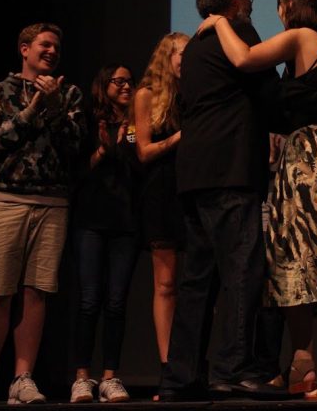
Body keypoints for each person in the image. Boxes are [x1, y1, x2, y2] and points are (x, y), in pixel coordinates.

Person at [197, 0, 317, 400]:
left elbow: (244, 58)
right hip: (304, 154)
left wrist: (218, 21)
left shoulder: (301, 36)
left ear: (289, 7)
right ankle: (302, 364)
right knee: (292, 259)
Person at [159, 0, 289, 401]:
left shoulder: (193, 47)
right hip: (231, 171)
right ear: (233, 0)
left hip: (194, 174)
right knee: (242, 271)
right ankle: (233, 371)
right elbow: (268, 93)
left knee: (198, 280)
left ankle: (182, 377)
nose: (249, 3)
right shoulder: (237, 30)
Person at [0, 23, 85, 404]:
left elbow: (74, 145)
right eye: (44, 44)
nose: (52, 51)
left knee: (37, 292)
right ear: (24, 48)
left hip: (52, 201)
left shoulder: (68, 93)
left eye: (57, 46)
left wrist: (52, 110)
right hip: (5, 198)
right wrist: (34, 107)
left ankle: (23, 376)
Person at [69, 65, 140, 403]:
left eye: (130, 81)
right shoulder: (87, 120)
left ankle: (111, 376)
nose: (127, 85)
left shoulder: (137, 124)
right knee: (88, 301)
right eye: (119, 81)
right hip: (91, 221)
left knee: (116, 303)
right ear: (103, 85)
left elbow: (138, 166)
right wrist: (101, 150)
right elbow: (76, 172)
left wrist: (126, 138)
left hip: (126, 222)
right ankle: (82, 376)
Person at [134, 32, 188, 386]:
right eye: (183, 54)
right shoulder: (146, 96)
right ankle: (169, 367)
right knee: (166, 283)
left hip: (193, 189)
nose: (188, 60)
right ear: (167, 57)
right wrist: (178, 138)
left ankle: (192, 363)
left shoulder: (196, 94)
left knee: (199, 283)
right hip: (161, 192)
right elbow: (143, 150)